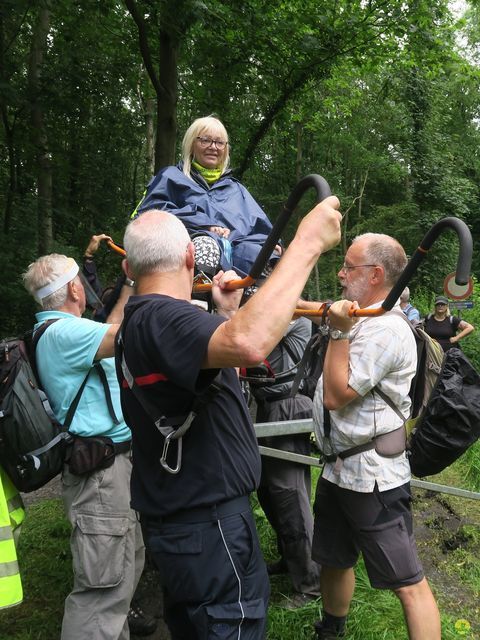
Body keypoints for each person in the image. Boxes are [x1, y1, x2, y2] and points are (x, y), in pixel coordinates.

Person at [116, 198, 341, 639]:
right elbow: (250, 344)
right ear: (187, 258)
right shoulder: (166, 317)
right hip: (209, 528)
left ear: (130, 270)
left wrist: (224, 316)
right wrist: (307, 242)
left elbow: (212, 362)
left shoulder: (141, 319)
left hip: (186, 521)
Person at [308, 233, 441, 639]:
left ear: (376, 274)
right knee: (334, 558)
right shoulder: (362, 314)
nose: (340, 273)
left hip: (373, 478)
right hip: (338, 469)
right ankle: (331, 629)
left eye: (349, 266)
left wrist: (338, 333)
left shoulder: (387, 330)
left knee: (408, 583)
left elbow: (335, 395)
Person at [23, 255, 145, 640]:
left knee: (120, 574)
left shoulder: (62, 332)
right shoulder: (65, 335)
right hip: (101, 479)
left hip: (107, 472)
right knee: (100, 592)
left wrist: (129, 283)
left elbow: (111, 328)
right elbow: (127, 335)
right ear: (76, 288)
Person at [132, 115, 281, 276]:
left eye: (219, 142)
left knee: (260, 255)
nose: (213, 147)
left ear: (225, 149)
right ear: (191, 144)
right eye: (205, 140)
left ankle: (262, 299)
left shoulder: (236, 189)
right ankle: (200, 300)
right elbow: (150, 213)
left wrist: (272, 243)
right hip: (182, 254)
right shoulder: (171, 177)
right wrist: (204, 225)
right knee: (205, 245)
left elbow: (260, 226)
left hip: (237, 257)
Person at [250, 317, 321, 607]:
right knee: (269, 492)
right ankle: (291, 558)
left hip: (287, 405)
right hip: (269, 407)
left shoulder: (292, 315)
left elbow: (254, 340)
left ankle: (311, 584)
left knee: (290, 495)